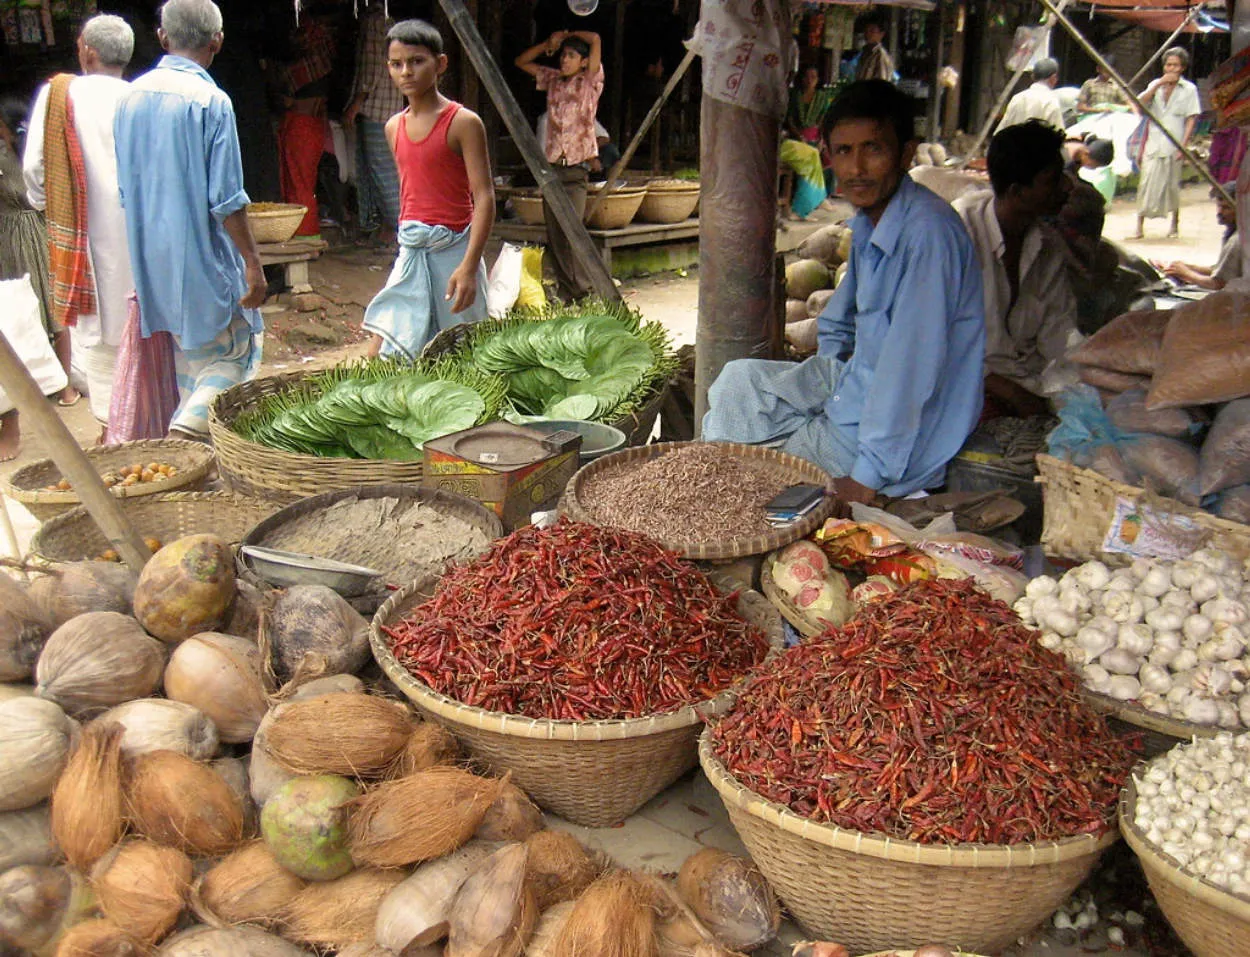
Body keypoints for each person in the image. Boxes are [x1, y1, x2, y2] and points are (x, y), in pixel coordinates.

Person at [702, 81, 985, 504]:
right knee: (736, 383)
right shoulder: (874, 221)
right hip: (853, 388)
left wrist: (866, 478)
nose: (856, 169)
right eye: (844, 151)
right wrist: (825, 378)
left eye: (873, 149)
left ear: (906, 154)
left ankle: (722, 494)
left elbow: (909, 371)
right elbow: (841, 319)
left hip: (889, 437)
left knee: (741, 483)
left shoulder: (927, 236)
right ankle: (726, 468)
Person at [113, 0, 267, 441]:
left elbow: (126, 189)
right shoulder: (211, 101)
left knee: (191, 361)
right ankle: (182, 439)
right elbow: (227, 200)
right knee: (232, 361)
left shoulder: (130, 97)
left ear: (163, 37)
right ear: (217, 40)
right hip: (203, 259)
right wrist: (252, 264)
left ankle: (196, 462)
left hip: (151, 260)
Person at [23, 14, 135, 437]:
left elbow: (35, 170)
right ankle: (136, 431)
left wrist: (47, 205)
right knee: (135, 329)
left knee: (101, 341)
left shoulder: (59, 95)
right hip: (138, 238)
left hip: (84, 238)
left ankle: (114, 433)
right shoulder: (138, 96)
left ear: (86, 52)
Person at [361, 18, 494, 360]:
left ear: (441, 64)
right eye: (396, 64)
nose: (406, 72)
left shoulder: (463, 123)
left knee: (465, 353)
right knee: (396, 348)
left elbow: (484, 198)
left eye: (417, 61)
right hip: (412, 250)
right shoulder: (393, 128)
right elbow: (412, 194)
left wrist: (468, 266)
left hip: (454, 250)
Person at [953, 120, 1079, 420]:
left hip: (1026, 382)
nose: (1068, 187)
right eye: (1052, 180)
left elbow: (1060, 333)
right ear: (1017, 191)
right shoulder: (958, 234)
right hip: (964, 382)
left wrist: (1075, 393)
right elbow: (935, 341)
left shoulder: (1047, 246)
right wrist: (1010, 393)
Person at [515, 29, 604, 302]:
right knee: (555, 235)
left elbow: (596, 39)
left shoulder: (590, 81)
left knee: (573, 231)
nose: (565, 60)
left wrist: (570, 32)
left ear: (585, 62)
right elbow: (521, 62)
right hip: (553, 168)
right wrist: (547, 43)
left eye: (572, 55)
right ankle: (569, 292)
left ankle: (587, 291)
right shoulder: (552, 80)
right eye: (563, 55)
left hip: (577, 170)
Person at [344, 1, 404, 244]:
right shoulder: (391, 23)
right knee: (389, 172)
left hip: (376, 109)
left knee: (382, 174)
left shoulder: (374, 23)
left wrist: (357, 103)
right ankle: (390, 229)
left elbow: (372, 69)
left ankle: (404, 230)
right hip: (391, 106)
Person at [275, 11, 336, 239]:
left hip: (300, 128)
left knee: (297, 184)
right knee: (304, 183)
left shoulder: (304, 68)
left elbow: (296, 101)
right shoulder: (324, 67)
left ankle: (303, 234)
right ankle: (306, 232)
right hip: (314, 128)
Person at [1134, 47, 1200, 240]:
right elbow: (1140, 103)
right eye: (1168, 64)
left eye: (1175, 65)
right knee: (1146, 182)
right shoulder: (1156, 84)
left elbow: (1191, 119)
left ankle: (1174, 225)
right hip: (1154, 142)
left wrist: (1183, 145)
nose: (1171, 68)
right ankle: (1139, 225)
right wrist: (1157, 85)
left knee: (1172, 185)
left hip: (1174, 141)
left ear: (1182, 68)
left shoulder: (1189, 89)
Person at [1154, 184, 1241, 290]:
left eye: (1226, 208)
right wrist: (1186, 268)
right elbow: (1221, 270)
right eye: (1218, 206)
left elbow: (1218, 284)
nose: (1219, 212)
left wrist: (1187, 274)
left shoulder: (1237, 240)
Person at [997, 58, 1064, 133]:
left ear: (1032, 76)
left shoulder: (1017, 98)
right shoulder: (1051, 102)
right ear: (1053, 78)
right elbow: (1058, 135)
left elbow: (1001, 131)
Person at [1066, 136, 1116, 206]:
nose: (1095, 168)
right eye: (1096, 165)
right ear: (1086, 154)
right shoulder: (1068, 155)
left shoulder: (1079, 155)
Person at [854, 13, 895, 84]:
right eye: (866, 30)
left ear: (881, 34)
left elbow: (882, 85)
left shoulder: (881, 56)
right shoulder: (865, 53)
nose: (867, 34)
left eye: (872, 31)